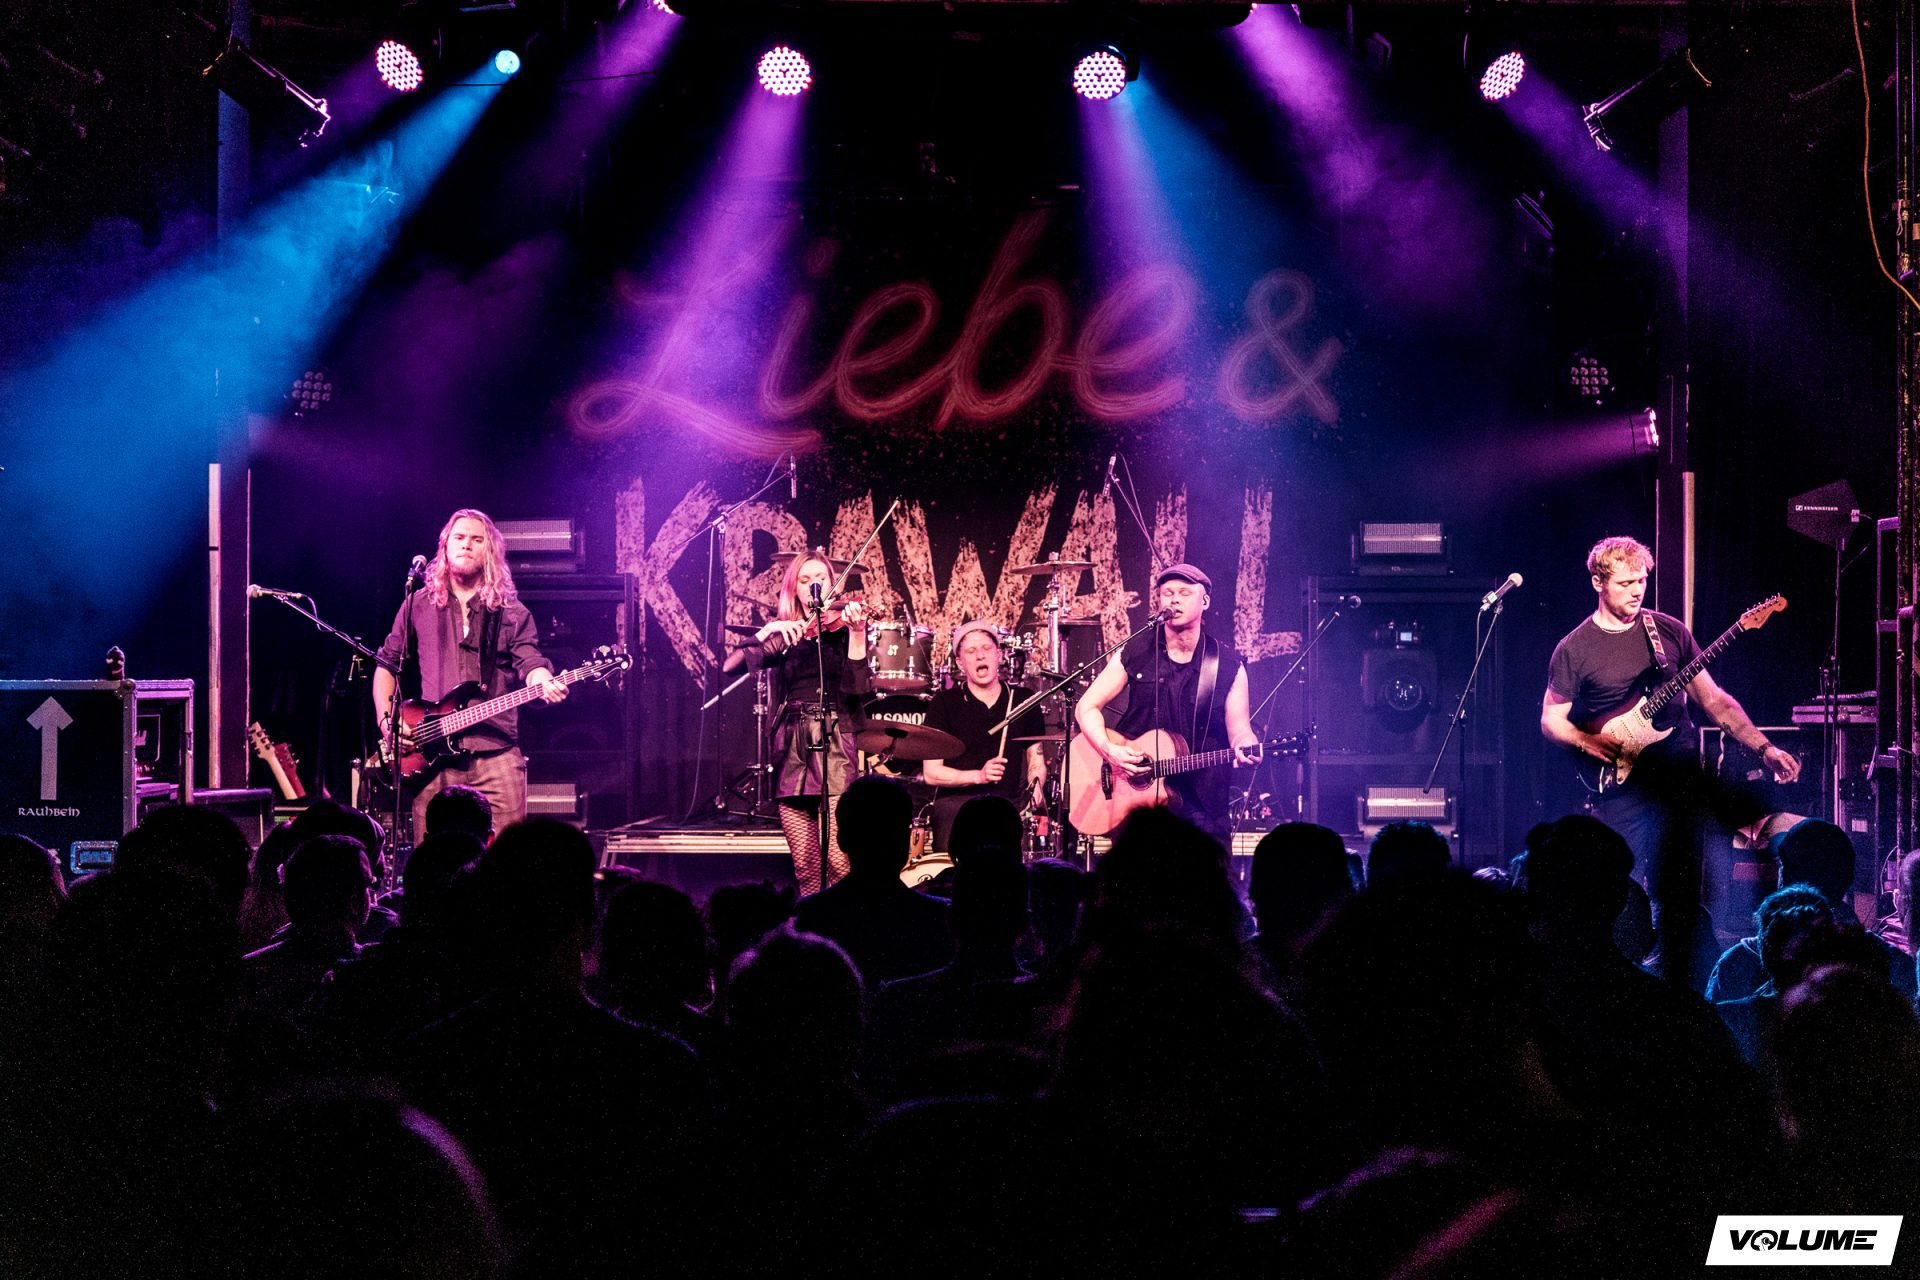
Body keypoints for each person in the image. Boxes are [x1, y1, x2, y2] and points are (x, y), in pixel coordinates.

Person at [1540, 536, 1798, 926]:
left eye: (1642, 581)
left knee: (1685, 894)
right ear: (1598, 583)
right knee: (1621, 891)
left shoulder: (1668, 632)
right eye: (1625, 583)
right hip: (1622, 787)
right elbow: (1551, 718)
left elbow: (1715, 701)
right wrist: (1584, 739)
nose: (1637, 590)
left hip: (1679, 782)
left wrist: (1765, 748)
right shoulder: (1574, 649)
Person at [373, 509, 568, 840]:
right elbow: (386, 665)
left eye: (477, 540)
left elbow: (530, 661)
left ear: (489, 550)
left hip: (497, 753)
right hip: (432, 756)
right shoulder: (417, 605)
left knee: (508, 855)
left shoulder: (511, 612)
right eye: (459, 538)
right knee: (433, 857)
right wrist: (387, 722)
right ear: (445, 546)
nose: (466, 545)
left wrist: (541, 678)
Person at [1073, 563, 1261, 849]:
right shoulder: (1136, 650)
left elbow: (1240, 731)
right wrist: (1107, 749)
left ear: (1205, 601)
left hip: (1201, 801)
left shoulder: (1228, 664)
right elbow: (1086, 707)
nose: (1174, 600)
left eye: (1184, 593)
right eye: (1167, 593)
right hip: (1138, 802)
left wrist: (1247, 745)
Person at [739, 549, 868, 895]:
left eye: (820, 578)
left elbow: (858, 688)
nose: (814, 585)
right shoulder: (787, 635)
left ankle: (844, 926)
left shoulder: (843, 629)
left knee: (840, 862)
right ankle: (812, 925)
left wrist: (858, 633)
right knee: (806, 866)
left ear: (832, 583)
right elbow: (730, 665)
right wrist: (769, 629)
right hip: (792, 741)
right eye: (805, 580)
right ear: (794, 589)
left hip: (835, 737)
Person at [920, 622, 1048, 852]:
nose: (980, 655)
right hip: (957, 803)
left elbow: (1035, 759)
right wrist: (978, 776)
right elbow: (931, 773)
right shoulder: (944, 703)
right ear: (960, 662)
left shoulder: (1023, 700)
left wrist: (1035, 790)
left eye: (986, 648)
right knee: (951, 814)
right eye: (971, 651)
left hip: (1008, 802)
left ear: (999, 655)